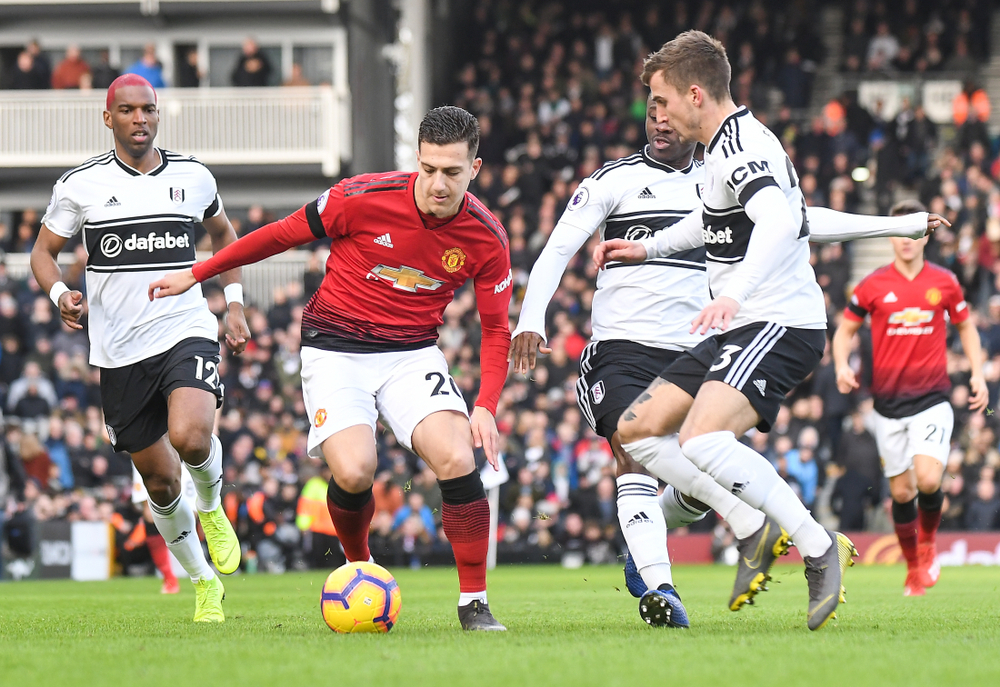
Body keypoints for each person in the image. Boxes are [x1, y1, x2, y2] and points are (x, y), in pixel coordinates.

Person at [592, 31, 947, 630]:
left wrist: (732, 293)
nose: (658, 114)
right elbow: (738, 224)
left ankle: (813, 544)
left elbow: (780, 223)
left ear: (695, 95)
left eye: (663, 100)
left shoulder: (740, 148)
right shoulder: (724, 148)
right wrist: (647, 249)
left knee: (700, 439)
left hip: (779, 322)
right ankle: (749, 523)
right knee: (636, 431)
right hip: (743, 324)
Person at [149, 106, 511, 632]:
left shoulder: (486, 236)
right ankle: (361, 569)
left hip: (411, 352)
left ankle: (474, 603)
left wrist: (486, 405)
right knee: (356, 470)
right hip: (335, 348)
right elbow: (279, 235)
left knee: (457, 457)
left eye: (452, 172)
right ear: (416, 158)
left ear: (474, 169)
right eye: (429, 168)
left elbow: (496, 329)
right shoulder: (359, 197)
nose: (438, 183)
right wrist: (199, 273)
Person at [511, 96, 743, 628]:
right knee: (632, 447)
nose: (659, 121)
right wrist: (531, 317)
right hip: (622, 350)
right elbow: (558, 249)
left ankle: (644, 540)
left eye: (670, 112)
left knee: (704, 472)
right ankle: (662, 589)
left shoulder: (721, 182)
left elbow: (788, 223)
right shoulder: (612, 180)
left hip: (695, 352)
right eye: (652, 111)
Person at [30, 74, 249, 622]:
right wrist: (60, 294)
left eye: (148, 109)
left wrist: (235, 304)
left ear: (157, 113)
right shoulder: (79, 185)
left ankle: (212, 506)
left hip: (185, 328)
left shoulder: (194, 175)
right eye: (127, 110)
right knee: (160, 482)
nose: (139, 119)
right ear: (109, 118)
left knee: (192, 436)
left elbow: (225, 236)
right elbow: (42, 252)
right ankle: (202, 581)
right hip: (119, 353)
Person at [832, 199, 986, 596]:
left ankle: (928, 545)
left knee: (929, 479)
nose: (905, 240)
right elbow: (845, 330)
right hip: (886, 406)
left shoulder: (944, 282)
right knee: (901, 493)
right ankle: (914, 566)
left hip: (932, 399)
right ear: (890, 237)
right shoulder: (872, 285)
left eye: (912, 232)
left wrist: (977, 372)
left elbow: (966, 328)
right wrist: (841, 365)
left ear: (925, 235)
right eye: (898, 231)